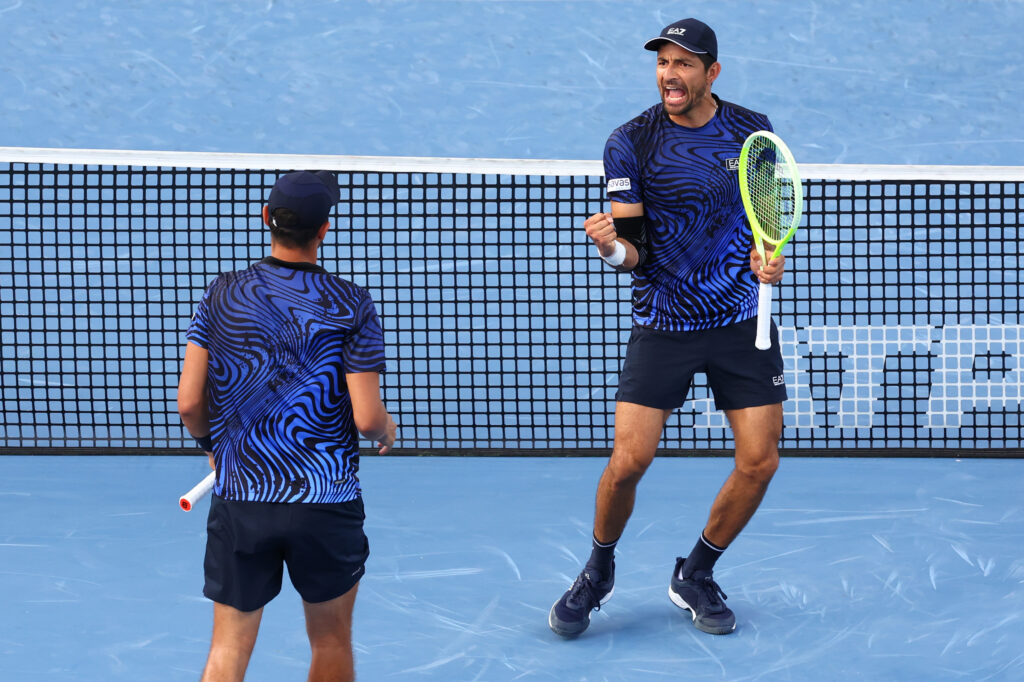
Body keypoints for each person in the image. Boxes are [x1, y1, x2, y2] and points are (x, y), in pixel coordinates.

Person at [549, 18, 788, 638]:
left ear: (712, 73)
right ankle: (597, 570)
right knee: (629, 461)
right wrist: (608, 249)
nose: (669, 74)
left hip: (740, 319)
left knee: (760, 461)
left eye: (684, 64)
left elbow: (766, 214)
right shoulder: (630, 141)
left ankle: (697, 572)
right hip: (666, 320)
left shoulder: (750, 130)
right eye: (663, 63)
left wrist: (768, 254)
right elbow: (634, 251)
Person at [177, 170, 397, 681]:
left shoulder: (222, 294)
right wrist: (386, 429)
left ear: (266, 219)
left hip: (242, 498)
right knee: (330, 641)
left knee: (227, 650)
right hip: (326, 503)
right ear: (324, 229)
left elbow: (190, 403)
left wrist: (214, 446)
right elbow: (367, 418)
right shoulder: (352, 303)